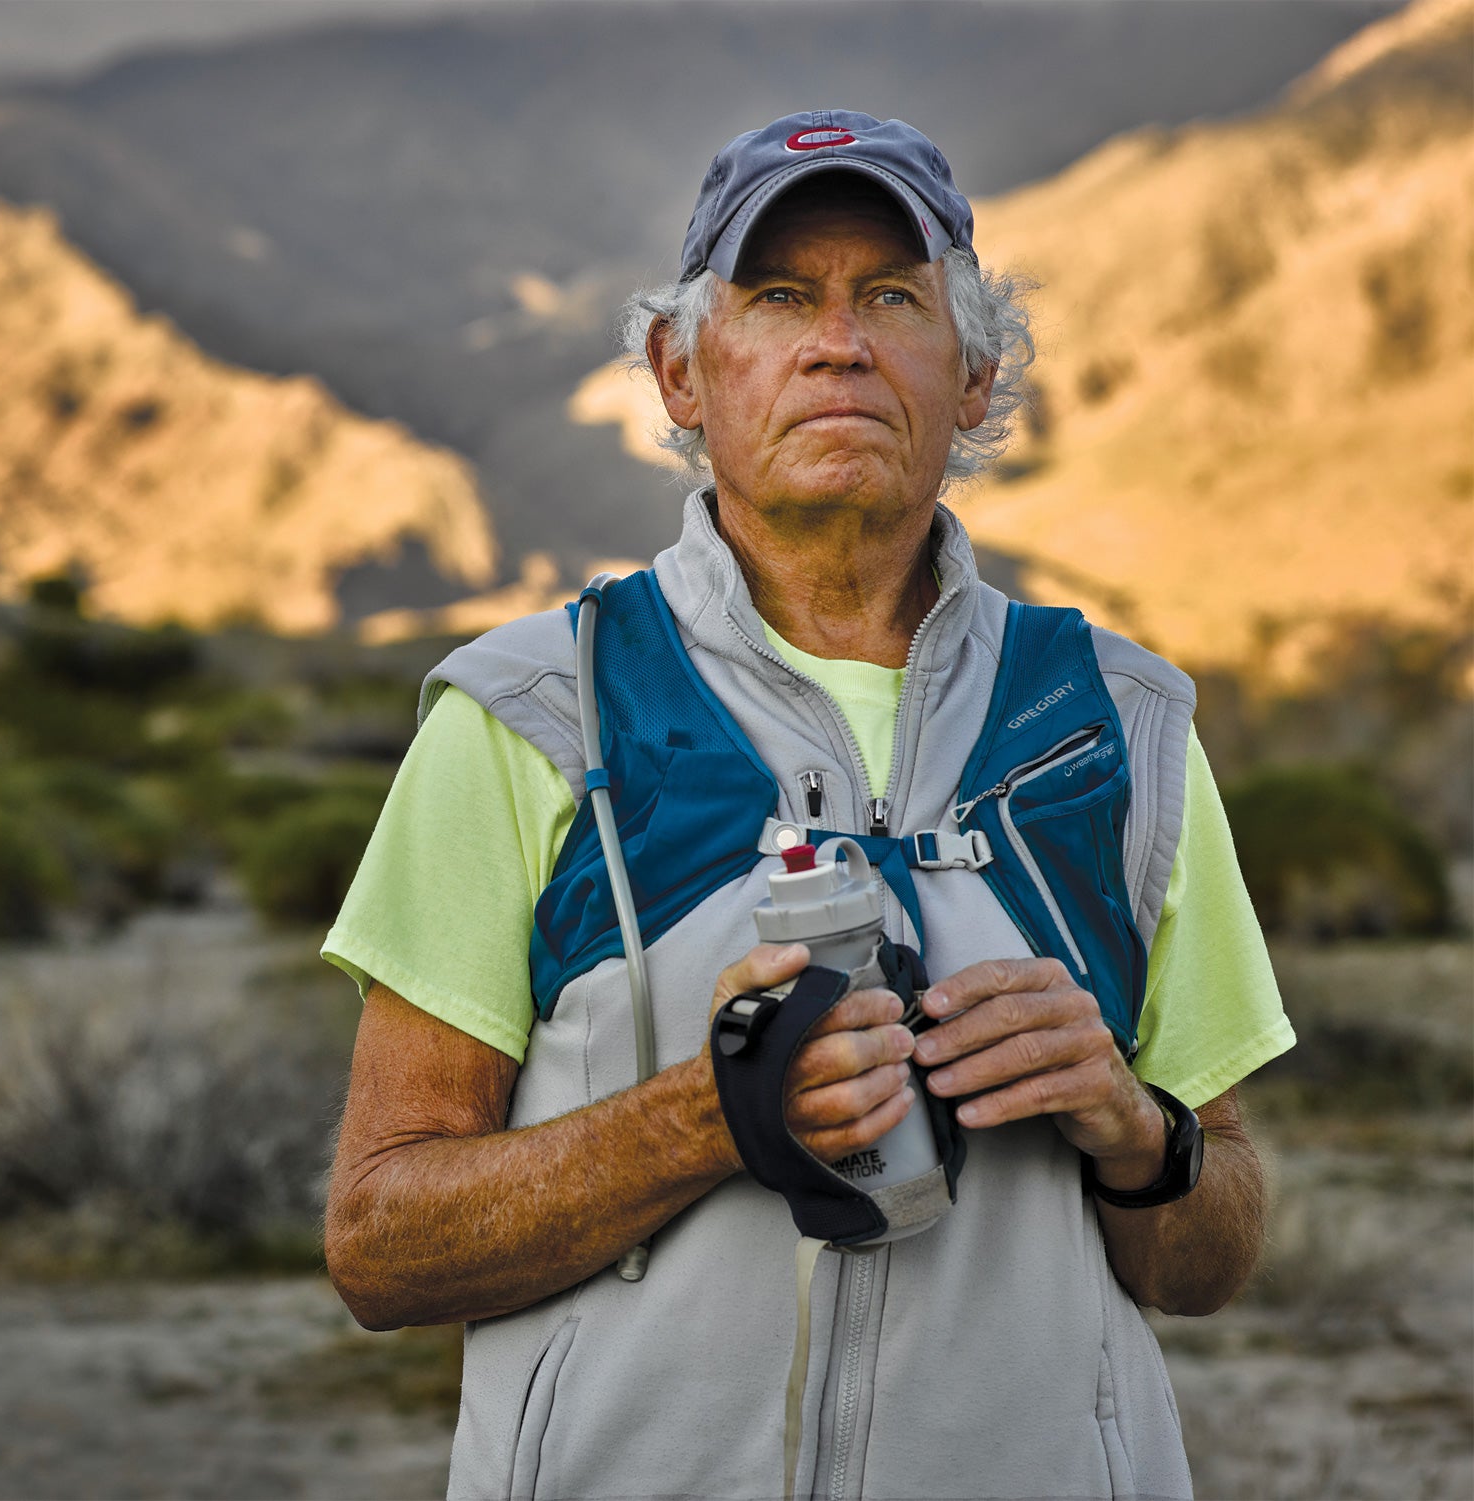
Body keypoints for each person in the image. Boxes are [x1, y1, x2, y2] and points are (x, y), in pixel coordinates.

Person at [321, 110, 1292, 1501]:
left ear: (975, 375)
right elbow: (379, 1246)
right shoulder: (534, 714)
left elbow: (1213, 1256)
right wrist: (712, 1116)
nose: (838, 344)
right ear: (681, 373)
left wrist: (1138, 1133)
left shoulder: (1120, 724)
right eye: (779, 297)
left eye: (891, 297)